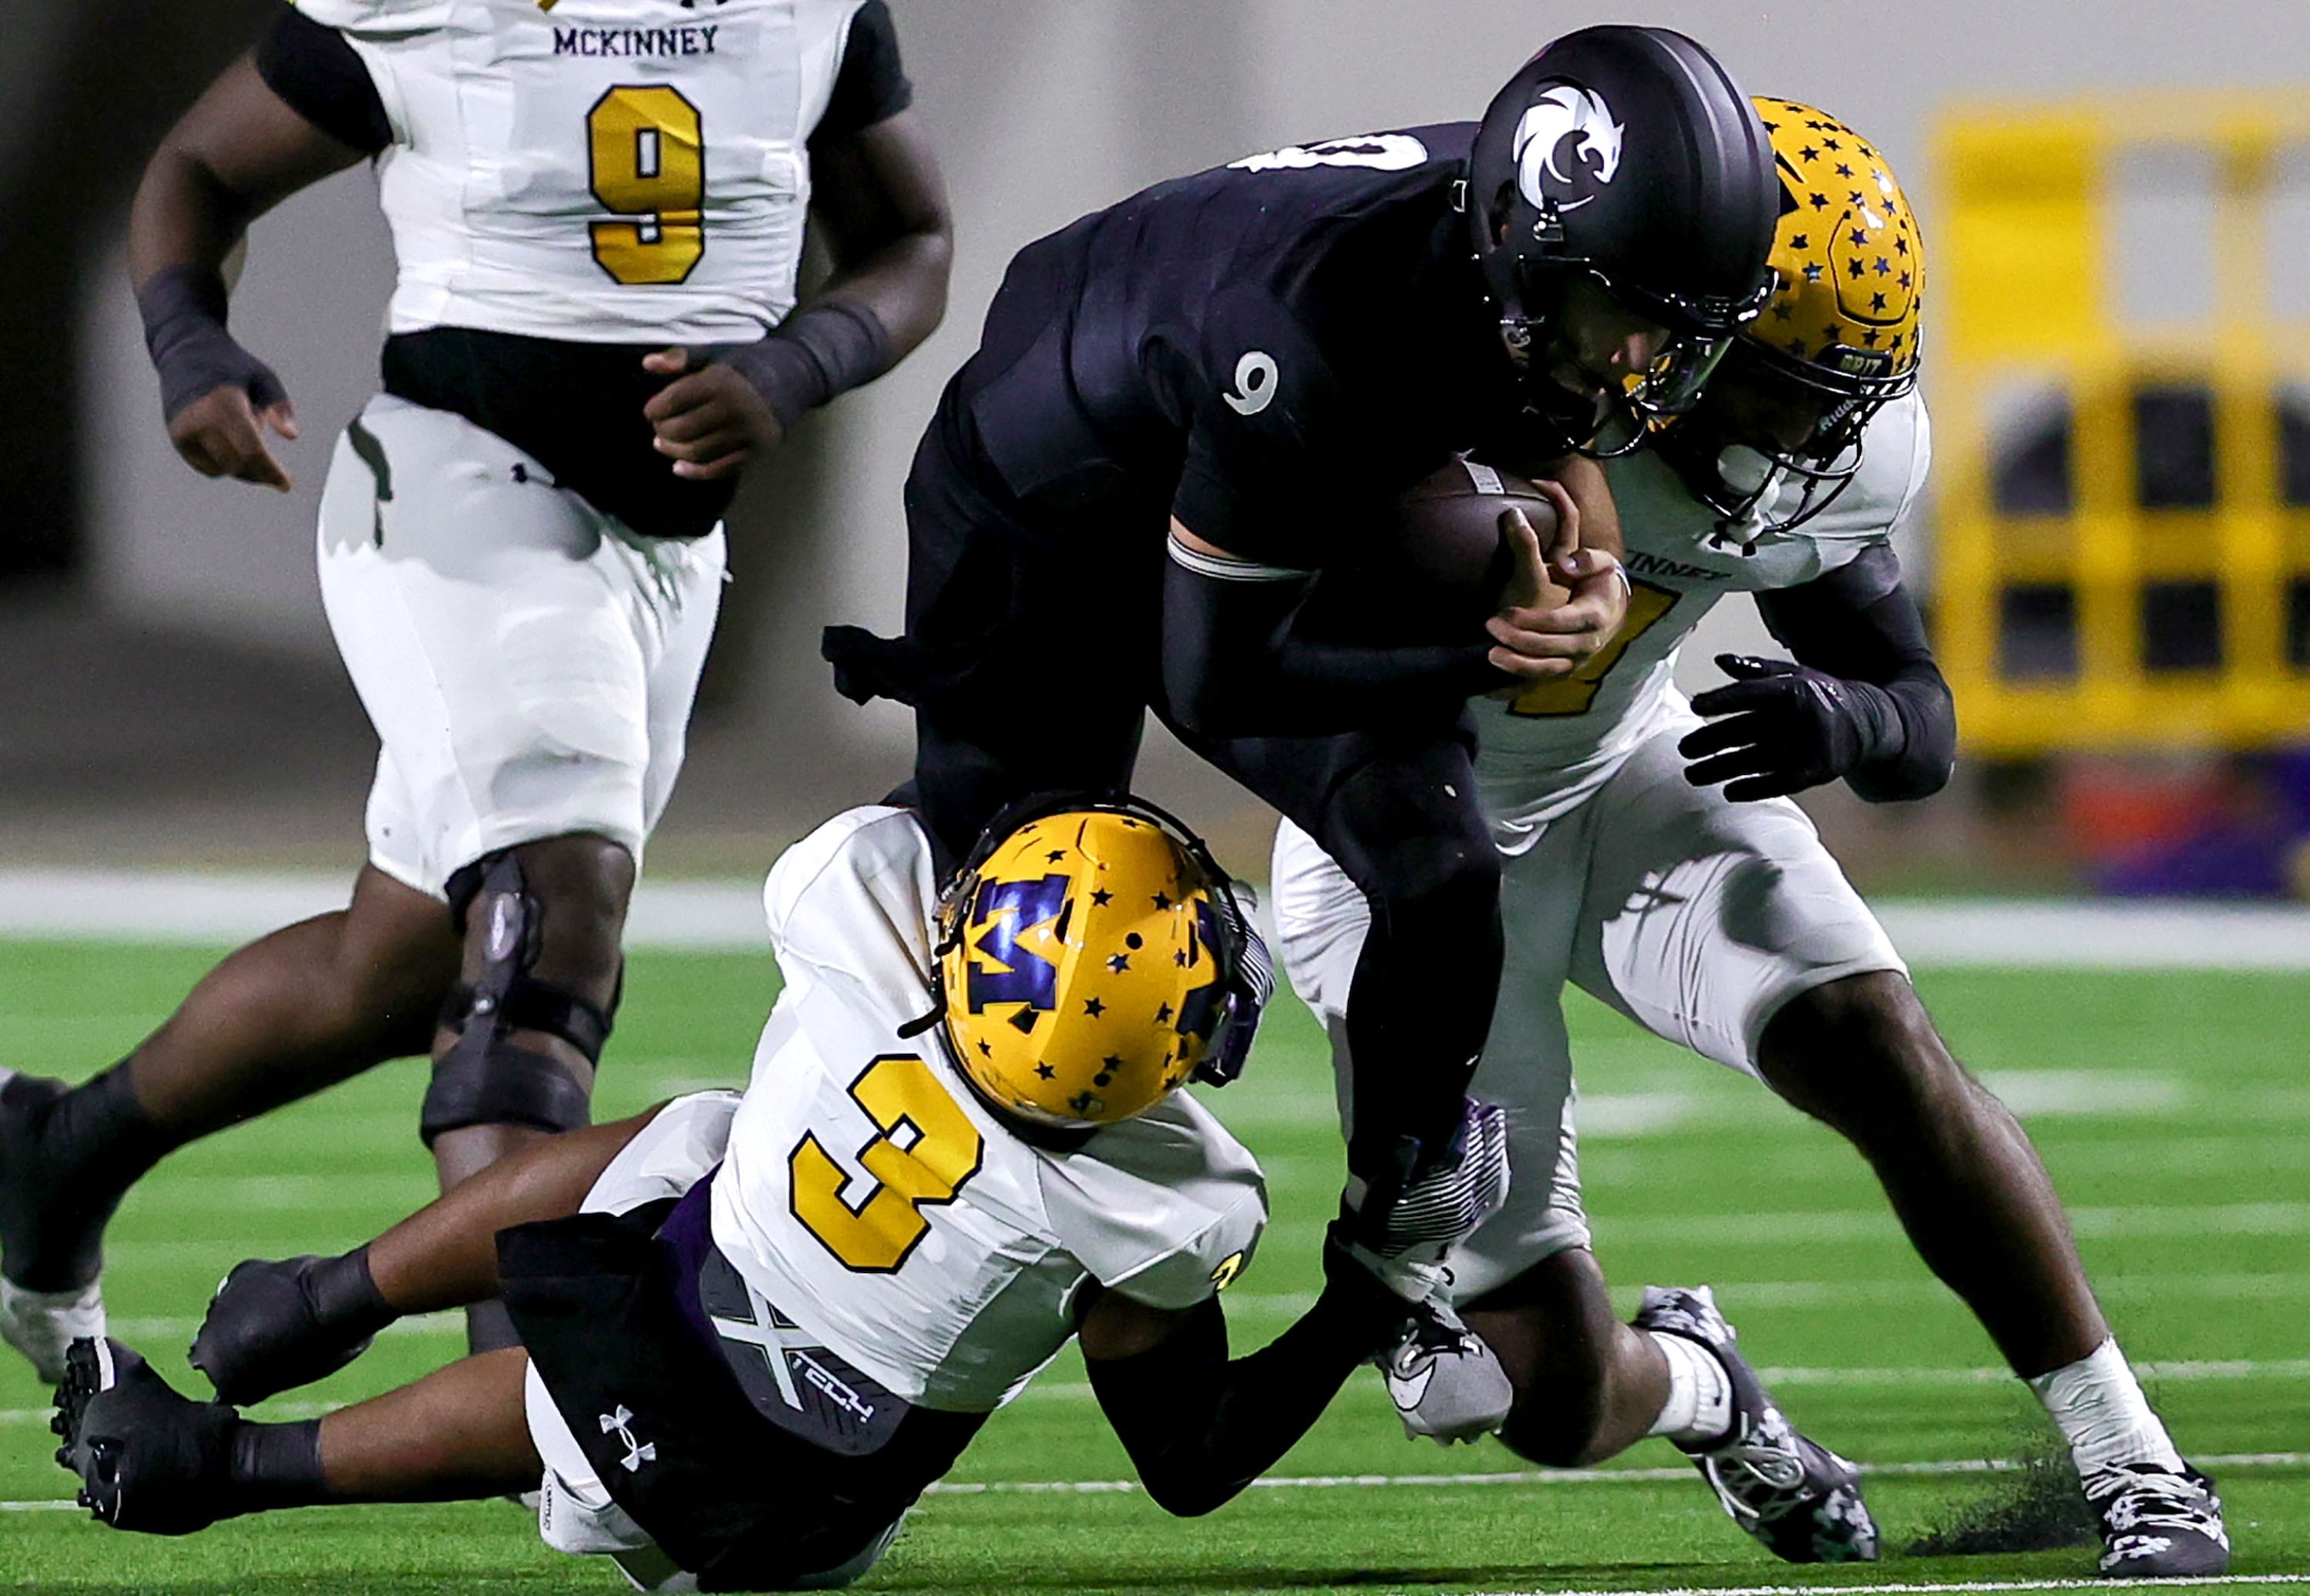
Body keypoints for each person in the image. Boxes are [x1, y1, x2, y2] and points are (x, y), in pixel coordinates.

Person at [1270, 99, 2229, 1578]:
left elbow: (1922, 718)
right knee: (1541, 1394)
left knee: (1874, 1035)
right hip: (1400, 838)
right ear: (1671, 320)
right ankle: (1706, 1386)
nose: (1804, 431)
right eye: (1777, 382)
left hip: (1625, 765)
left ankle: (2136, 1465)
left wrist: (1841, 724)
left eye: (1832, 390)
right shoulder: (1470, 390)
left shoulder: (1835, 448)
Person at [1, 0, 954, 1378]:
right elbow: (200, 170)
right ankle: (530, 1391)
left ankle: (55, 1153)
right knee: (549, 912)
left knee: (399, 968)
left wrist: (796, 365)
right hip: (457, 481)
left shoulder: (806, 10)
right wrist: (188, 342)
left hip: (664, 555)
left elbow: (909, 239)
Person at [822, 25, 1781, 1272]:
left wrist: (1587, 578)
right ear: (1522, 247)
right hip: (1042, 516)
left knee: (1441, 875)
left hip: (1243, 469)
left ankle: (1399, 1225)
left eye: (1671, 331)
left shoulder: (1524, 263)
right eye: (1619, 321)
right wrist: (1486, 657)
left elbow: (1564, 440)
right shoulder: (1322, 326)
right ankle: (810, 1193)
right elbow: (1216, 674)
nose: (1640, 364)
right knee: (1020, 982)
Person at [52, 801, 1439, 1591]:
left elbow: (925, 831)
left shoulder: (862, 930)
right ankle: (247, 1439)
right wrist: (1370, 1286)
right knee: (690, 1306)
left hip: (665, 1428)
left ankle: (300, 1344)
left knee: (697, 1149)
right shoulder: (1160, 1197)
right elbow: (1187, 1466)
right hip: (794, 1526)